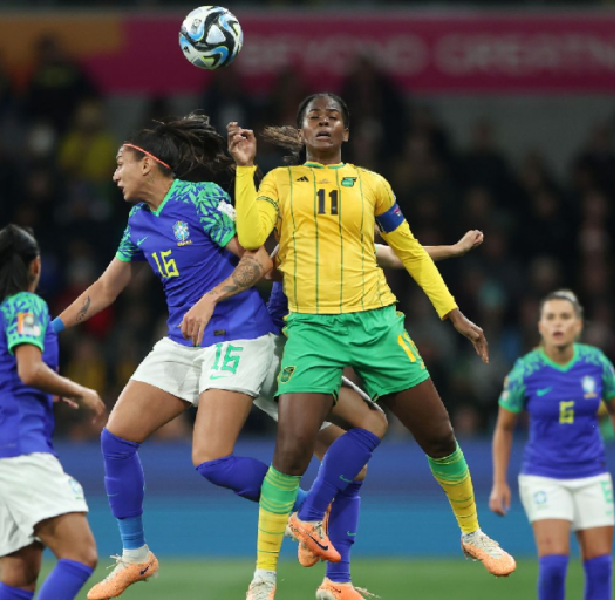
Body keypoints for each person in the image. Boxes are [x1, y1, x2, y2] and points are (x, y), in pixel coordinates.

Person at [49, 116, 391, 600]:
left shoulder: (199, 199)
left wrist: (211, 298)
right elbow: (107, 288)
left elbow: (258, 260)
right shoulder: (138, 220)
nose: (115, 174)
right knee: (116, 438)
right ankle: (136, 557)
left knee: (209, 459)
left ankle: (309, 510)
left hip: (236, 335)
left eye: (121, 163)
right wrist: (50, 330)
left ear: (148, 164)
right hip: (184, 343)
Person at [230, 93, 515, 600]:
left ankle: (473, 535)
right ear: (301, 133)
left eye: (333, 117)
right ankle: (264, 576)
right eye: (313, 118)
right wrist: (245, 170)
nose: (323, 123)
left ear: (347, 132)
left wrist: (453, 314)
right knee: (291, 450)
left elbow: (409, 252)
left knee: (440, 434)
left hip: (377, 325)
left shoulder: (372, 184)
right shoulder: (277, 181)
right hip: (312, 330)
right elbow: (251, 234)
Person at [0, 224, 106, 600]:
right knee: (80, 554)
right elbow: (29, 370)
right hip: (20, 449)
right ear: (35, 265)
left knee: (19, 579)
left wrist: (28, 390)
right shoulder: (26, 304)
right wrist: (79, 391)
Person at [490, 290, 615, 600]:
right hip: (544, 475)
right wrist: (498, 482)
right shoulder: (526, 370)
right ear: (540, 326)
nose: (557, 324)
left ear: (578, 324)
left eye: (564, 317)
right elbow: (504, 428)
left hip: (592, 474)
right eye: (551, 318)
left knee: (600, 567)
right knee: (554, 565)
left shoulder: (596, 363)